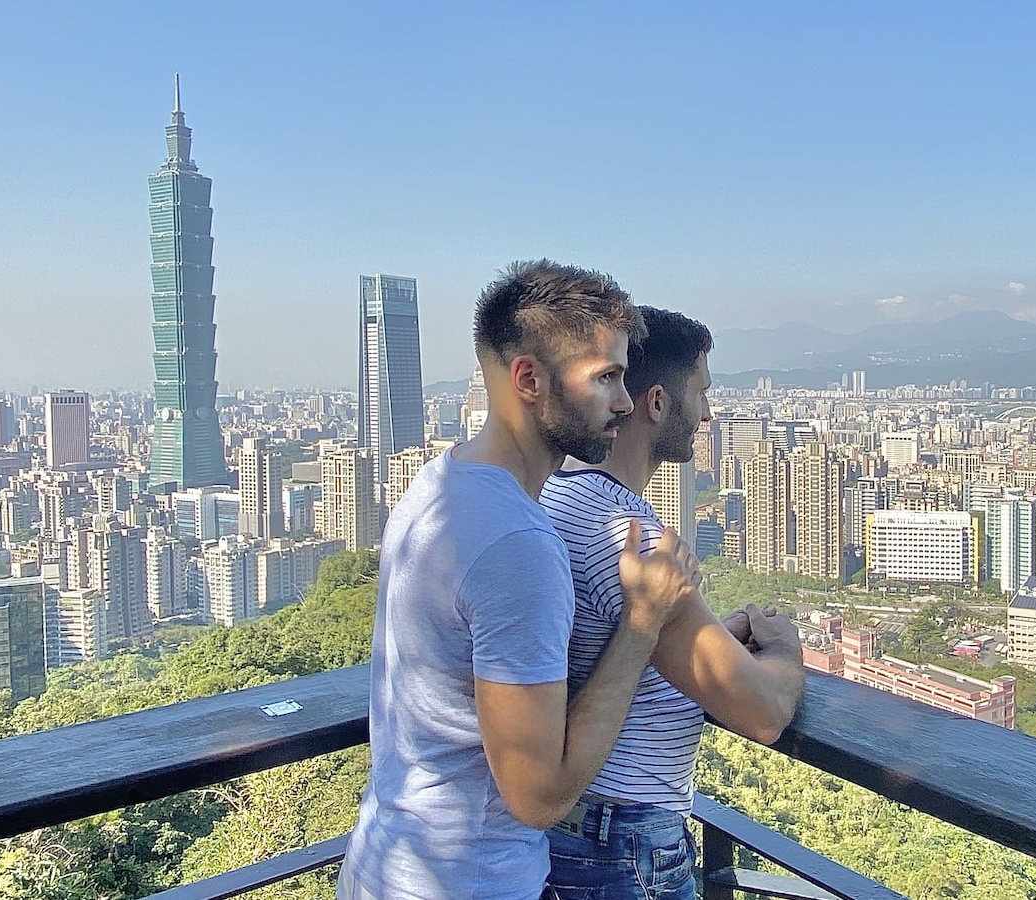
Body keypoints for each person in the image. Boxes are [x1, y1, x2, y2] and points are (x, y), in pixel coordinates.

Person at [336, 261, 702, 900]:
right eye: (607, 377)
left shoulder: (437, 488)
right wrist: (644, 622)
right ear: (529, 379)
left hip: (385, 865)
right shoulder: (518, 544)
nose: (623, 400)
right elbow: (538, 796)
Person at [539, 306, 807, 899]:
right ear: (657, 404)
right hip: (623, 842)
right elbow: (762, 712)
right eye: (703, 393)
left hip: (564, 832)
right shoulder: (628, 537)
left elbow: (628, 635)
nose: (709, 414)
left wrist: (707, 630)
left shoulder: (555, 500)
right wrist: (785, 652)